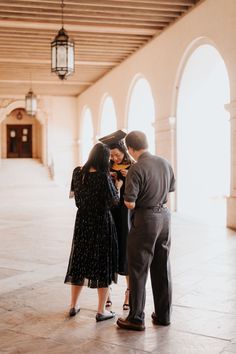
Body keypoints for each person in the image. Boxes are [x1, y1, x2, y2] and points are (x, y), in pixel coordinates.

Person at [116, 131, 175, 331]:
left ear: (130, 149)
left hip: (146, 221)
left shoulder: (136, 168)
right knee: (162, 267)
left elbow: (130, 204)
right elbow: (167, 195)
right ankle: (163, 315)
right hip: (165, 219)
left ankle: (135, 318)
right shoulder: (165, 163)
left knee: (138, 269)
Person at [64, 143, 122, 322]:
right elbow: (114, 202)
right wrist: (117, 185)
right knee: (102, 264)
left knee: (79, 260)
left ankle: (73, 306)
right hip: (101, 222)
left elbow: (75, 197)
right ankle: (101, 310)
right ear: (104, 158)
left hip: (82, 222)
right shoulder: (104, 176)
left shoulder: (77, 172)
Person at [99, 130, 133, 310]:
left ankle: (129, 293)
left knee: (126, 253)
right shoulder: (107, 166)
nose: (114, 158)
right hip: (110, 213)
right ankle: (107, 293)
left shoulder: (134, 166)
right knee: (108, 251)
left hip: (126, 216)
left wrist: (131, 177)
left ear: (124, 151)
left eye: (117, 155)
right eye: (111, 155)